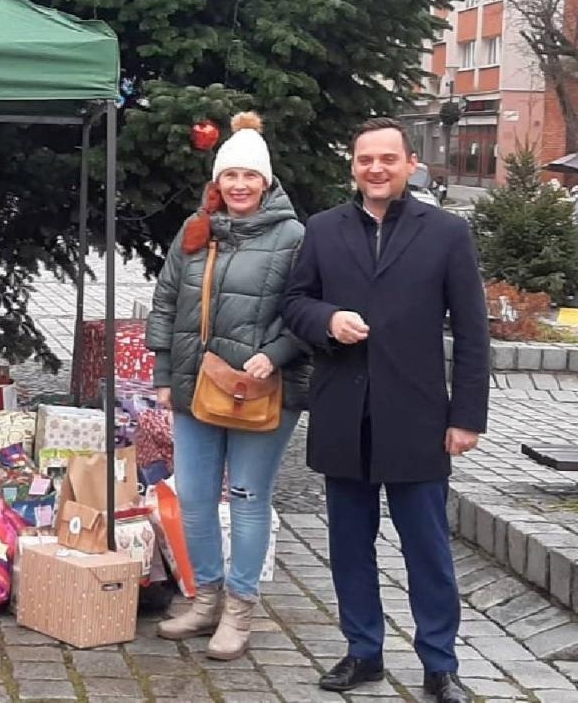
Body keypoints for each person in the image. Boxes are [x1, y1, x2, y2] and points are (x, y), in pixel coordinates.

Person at [282, 118, 489, 703]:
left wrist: (467, 416)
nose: (376, 168)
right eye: (365, 159)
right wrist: (327, 320)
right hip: (344, 412)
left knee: (427, 546)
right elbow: (293, 304)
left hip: (418, 416)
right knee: (350, 543)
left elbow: (473, 333)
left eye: (388, 159)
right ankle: (363, 650)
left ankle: (439, 663)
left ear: (409, 165)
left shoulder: (447, 232)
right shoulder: (323, 230)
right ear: (353, 165)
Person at [144, 112, 308, 660]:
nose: (239, 185)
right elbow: (167, 300)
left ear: (266, 181)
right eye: (229, 175)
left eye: (249, 176)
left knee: (246, 497)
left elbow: (307, 310)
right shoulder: (196, 230)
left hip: (261, 391)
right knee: (192, 497)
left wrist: (275, 355)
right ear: (217, 181)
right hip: (196, 386)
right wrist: (165, 374)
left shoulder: (293, 238)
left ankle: (241, 608)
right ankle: (204, 598)